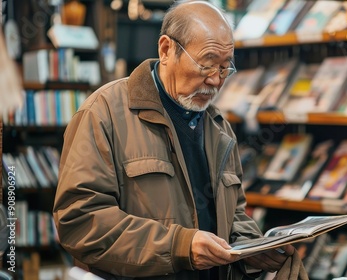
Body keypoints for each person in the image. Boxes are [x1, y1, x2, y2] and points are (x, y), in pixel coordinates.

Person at [52, 1, 300, 279]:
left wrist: (253, 249)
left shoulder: (219, 128)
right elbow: (80, 223)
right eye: (207, 65)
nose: (216, 81)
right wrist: (179, 247)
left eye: (224, 69)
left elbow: (234, 216)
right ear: (167, 49)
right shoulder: (104, 113)